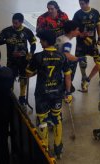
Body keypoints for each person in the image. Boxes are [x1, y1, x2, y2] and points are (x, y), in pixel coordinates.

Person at [26, 30, 72, 159]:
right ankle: (58, 147)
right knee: (57, 118)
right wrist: (68, 93)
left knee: (42, 120)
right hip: (57, 93)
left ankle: (44, 148)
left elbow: (28, 73)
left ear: (46, 41)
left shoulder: (38, 57)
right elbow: (68, 76)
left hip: (42, 94)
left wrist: (35, 70)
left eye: (41, 40)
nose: (40, 42)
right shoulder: (62, 56)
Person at [0, 13, 36, 109]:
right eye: (13, 22)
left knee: (23, 77)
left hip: (24, 60)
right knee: (10, 77)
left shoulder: (27, 31)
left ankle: (22, 97)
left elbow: (33, 43)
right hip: (11, 60)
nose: (14, 25)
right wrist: (6, 41)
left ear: (21, 22)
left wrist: (31, 53)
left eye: (16, 23)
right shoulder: (7, 31)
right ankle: (10, 95)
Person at [72, 0, 100, 92]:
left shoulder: (95, 12)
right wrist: (80, 34)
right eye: (79, 4)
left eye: (82, 4)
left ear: (87, 3)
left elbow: (98, 26)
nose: (81, 6)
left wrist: (99, 37)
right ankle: (84, 77)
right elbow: (74, 29)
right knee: (82, 61)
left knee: (98, 60)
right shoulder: (77, 14)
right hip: (81, 43)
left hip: (92, 42)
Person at [55, 20, 83, 93]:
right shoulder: (67, 42)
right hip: (64, 66)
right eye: (77, 30)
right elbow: (66, 55)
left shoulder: (60, 38)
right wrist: (79, 59)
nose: (78, 31)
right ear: (71, 31)